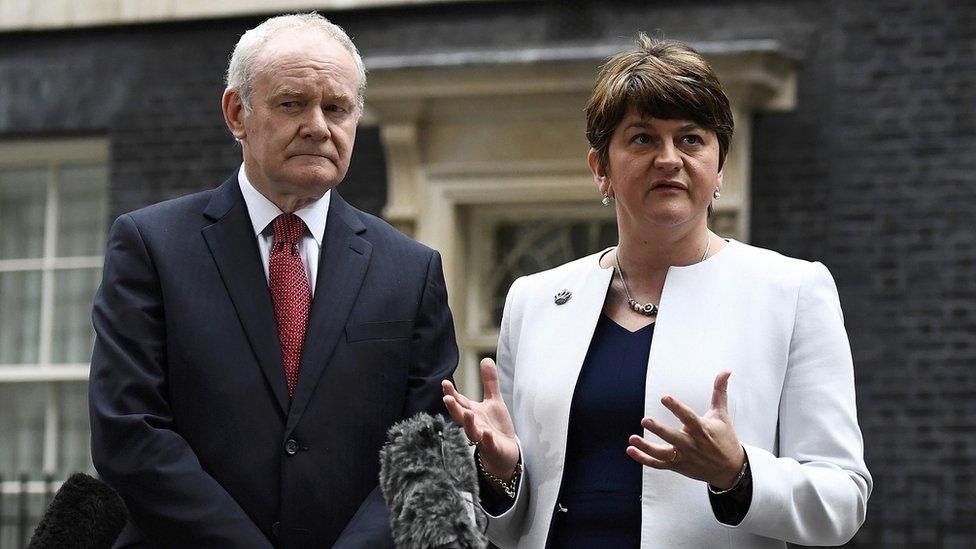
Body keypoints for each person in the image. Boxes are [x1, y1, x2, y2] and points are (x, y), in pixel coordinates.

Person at [442, 35, 872, 548]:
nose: (669, 159)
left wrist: (738, 472)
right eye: (643, 138)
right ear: (600, 168)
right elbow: (511, 525)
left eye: (691, 139)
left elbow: (842, 500)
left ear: (720, 169)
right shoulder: (534, 301)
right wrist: (499, 474)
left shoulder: (793, 292)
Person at [89, 13, 458, 548]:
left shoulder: (412, 268)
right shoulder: (151, 246)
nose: (318, 125)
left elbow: (427, 452)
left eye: (337, 108)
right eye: (292, 103)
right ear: (238, 113)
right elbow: (130, 433)